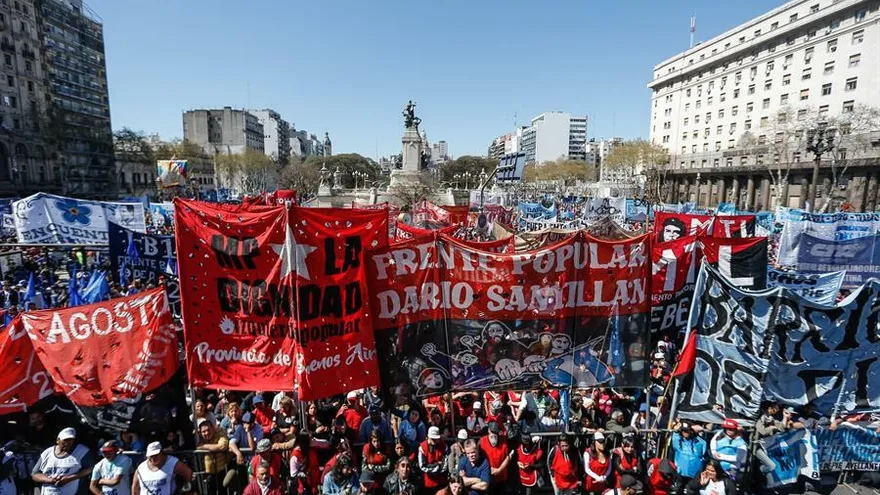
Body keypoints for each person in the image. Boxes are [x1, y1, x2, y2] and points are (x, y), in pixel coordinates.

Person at [31, 427, 94, 495]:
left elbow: (90, 468)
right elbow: (35, 474)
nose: (68, 443)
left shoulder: (82, 451)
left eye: (71, 440)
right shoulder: (47, 452)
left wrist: (69, 478)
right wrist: (49, 480)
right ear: (58, 440)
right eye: (65, 440)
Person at [670, 422, 707, 495]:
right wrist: (676, 429)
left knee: (691, 491)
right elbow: (674, 436)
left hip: (694, 473)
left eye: (687, 431)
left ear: (691, 431)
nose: (685, 433)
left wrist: (699, 431)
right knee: (678, 489)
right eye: (683, 431)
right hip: (680, 471)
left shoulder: (699, 441)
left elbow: (703, 450)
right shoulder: (678, 440)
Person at [196, 418, 231, 494]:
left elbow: (222, 446)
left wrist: (204, 446)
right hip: (207, 473)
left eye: (208, 430)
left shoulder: (220, 433)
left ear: (213, 428)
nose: (206, 433)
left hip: (221, 471)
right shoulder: (198, 438)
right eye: (204, 432)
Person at [478, 423, 511, 494]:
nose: (494, 434)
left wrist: (499, 470)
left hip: (501, 475)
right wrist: (487, 468)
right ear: (489, 431)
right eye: (492, 432)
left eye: (496, 432)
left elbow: (508, 457)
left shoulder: (503, 440)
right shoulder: (482, 441)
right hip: (487, 475)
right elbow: (479, 458)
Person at [419, 426, 448, 492]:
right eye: (432, 439)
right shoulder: (422, 447)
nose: (434, 441)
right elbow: (423, 466)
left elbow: (444, 465)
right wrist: (437, 465)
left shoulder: (444, 446)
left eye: (436, 439)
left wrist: (431, 466)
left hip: (441, 481)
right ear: (428, 437)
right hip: (428, 482)